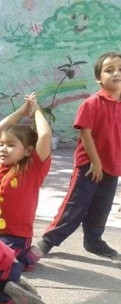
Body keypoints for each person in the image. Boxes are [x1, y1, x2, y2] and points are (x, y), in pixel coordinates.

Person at [33, 52, 121, 260]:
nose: (116, 73)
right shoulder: (92, 103)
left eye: (120, 69)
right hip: (89, 166)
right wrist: (96, 162)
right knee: (76, 206)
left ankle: (93, 241)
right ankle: (47, 242)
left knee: (102, 207)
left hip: (112, 166)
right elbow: (85, 132)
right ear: (99, 78)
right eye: (109, 70)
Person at [0, 93, 51, 271]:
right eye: (1, 144)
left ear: (29, 150)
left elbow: (44, 137)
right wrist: (21, 112)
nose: (2, 149)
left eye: (11, 145)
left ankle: (26, 257)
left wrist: (36, 109)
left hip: (14, 236)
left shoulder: (32, 169)